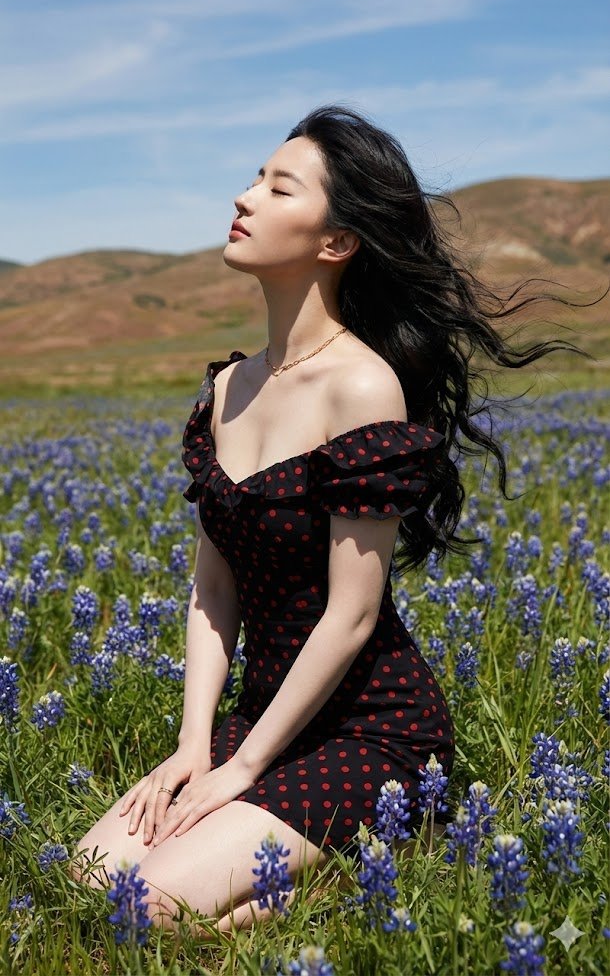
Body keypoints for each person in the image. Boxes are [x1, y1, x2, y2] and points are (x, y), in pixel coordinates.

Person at [71, 104, 598, 937]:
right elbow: (213, 590)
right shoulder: (226, 389)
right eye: (255, 177)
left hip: (370, 728)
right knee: (93, 875)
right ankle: (333, 854)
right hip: (267, 712)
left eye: (279, 187)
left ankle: (380, 861)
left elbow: (352, 616)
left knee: (153, 910)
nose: (245, 196)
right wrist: (195, 746)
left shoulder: (362, 387)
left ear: (337, 241)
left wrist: (243, 768)